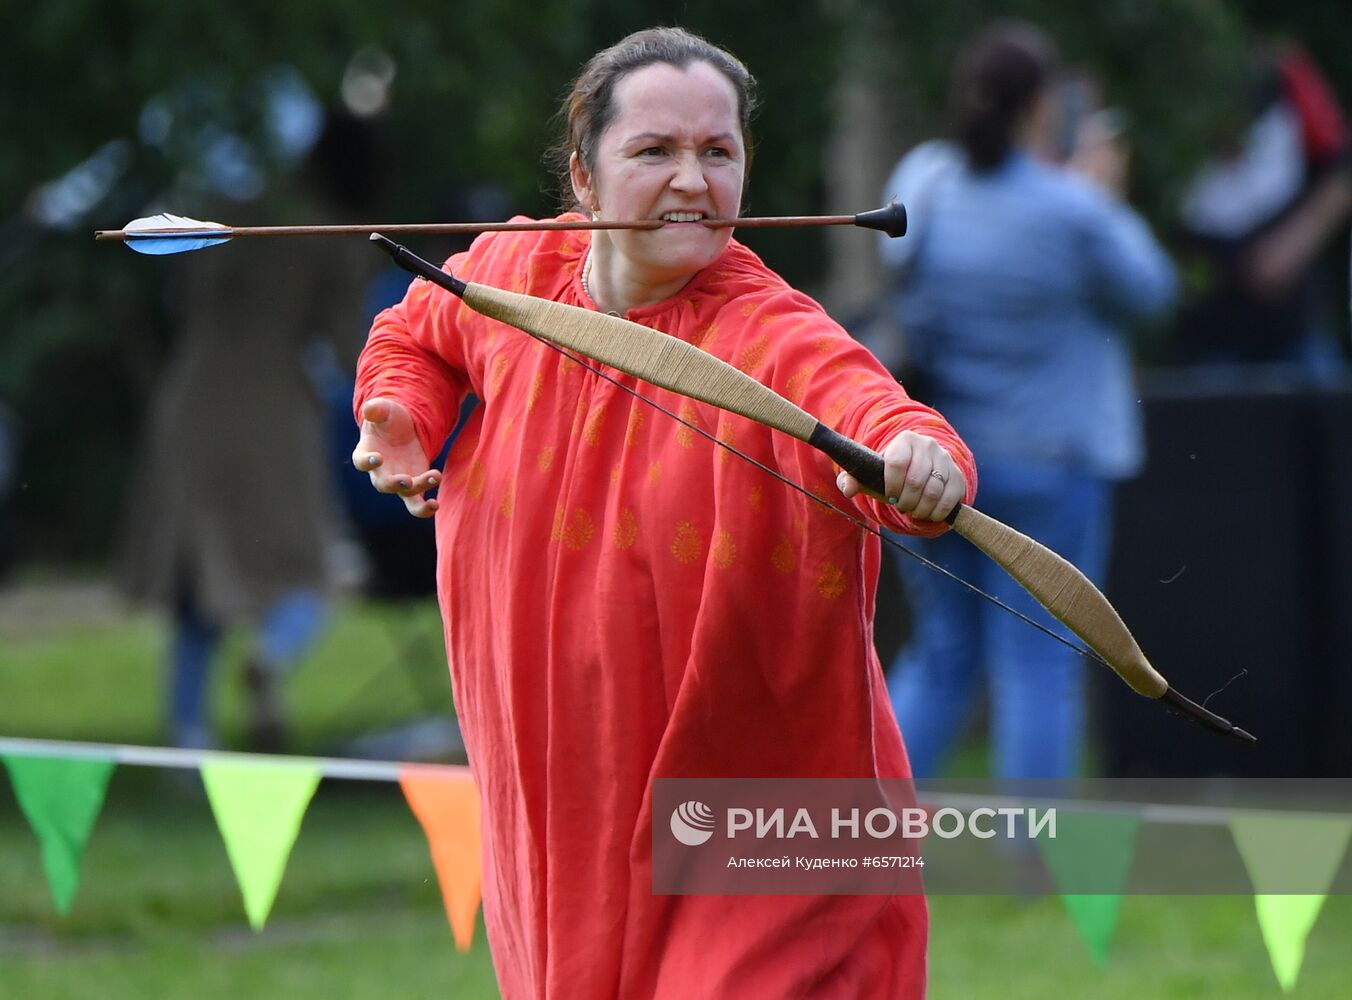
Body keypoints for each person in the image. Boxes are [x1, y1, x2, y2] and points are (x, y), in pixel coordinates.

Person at [352, 27, 974, 999]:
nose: (691, 178)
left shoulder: (766, 328)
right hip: (564, 809)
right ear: (583, 178)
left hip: (755, 831)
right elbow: (414, 332)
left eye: (716, 153)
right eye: (654, 151)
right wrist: (398, 416)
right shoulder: (515, 272)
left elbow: (873, 411)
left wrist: (917, 461)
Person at [879, 22, 1177, 780]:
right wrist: (1102, 193)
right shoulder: (1071, 208)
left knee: (942, 655)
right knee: (1041, 657)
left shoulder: (925, 179)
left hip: (935, 459)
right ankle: (1035, 857)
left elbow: (898, 265)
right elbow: (1152, 288)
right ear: (1042, 105)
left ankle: (866, 831)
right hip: (1051, 464)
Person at [121, 112, 377, 750]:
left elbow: (172, 295)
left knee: (197, 582)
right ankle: (272, 651)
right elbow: (348, 345)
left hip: (189, 402)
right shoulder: (332, 236)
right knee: (311, 569)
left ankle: (188, 739)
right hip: (271, 413)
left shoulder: (225, 212)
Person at [1175, 40, 1352, 378]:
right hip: (1208, 340)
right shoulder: (1162, 76)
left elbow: (1343, 168)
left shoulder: (1283, 74)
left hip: (1294, 333)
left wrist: (1295, 242)